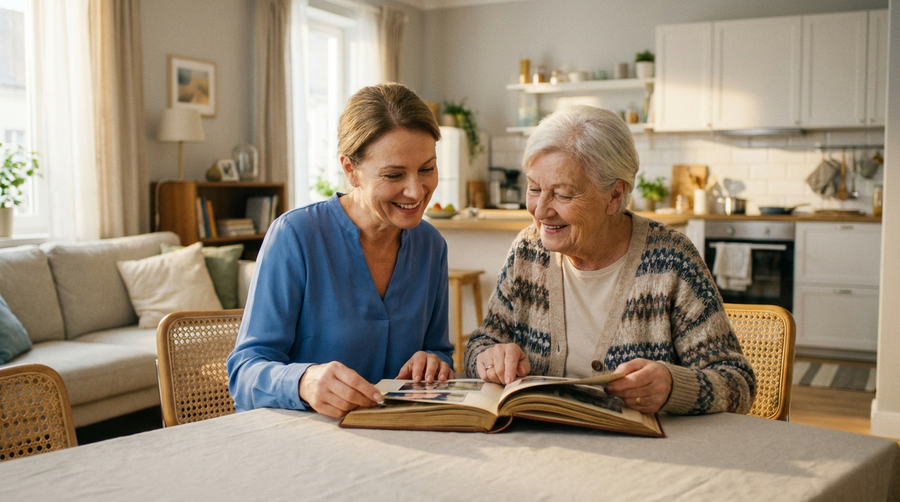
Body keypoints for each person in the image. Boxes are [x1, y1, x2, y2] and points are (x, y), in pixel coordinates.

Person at [464, 105, 756, 415]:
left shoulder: (671, 260)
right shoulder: (528, 250)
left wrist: (673, 385)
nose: (540, 210)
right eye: (535, 189)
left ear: (614, 196)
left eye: (562, 194)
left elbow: (739, 384)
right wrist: (488, 358)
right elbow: (480, 345)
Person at [228, 83, 454, 418]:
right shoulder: (295, 236)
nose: (416, 190)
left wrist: (434, 363)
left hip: (402, 437)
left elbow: (438, 350)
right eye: (394, 174)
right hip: (301, 442)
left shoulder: (431, 246)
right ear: (351, 170)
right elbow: (244, 373)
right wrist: (304, 381)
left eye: (427, 169)